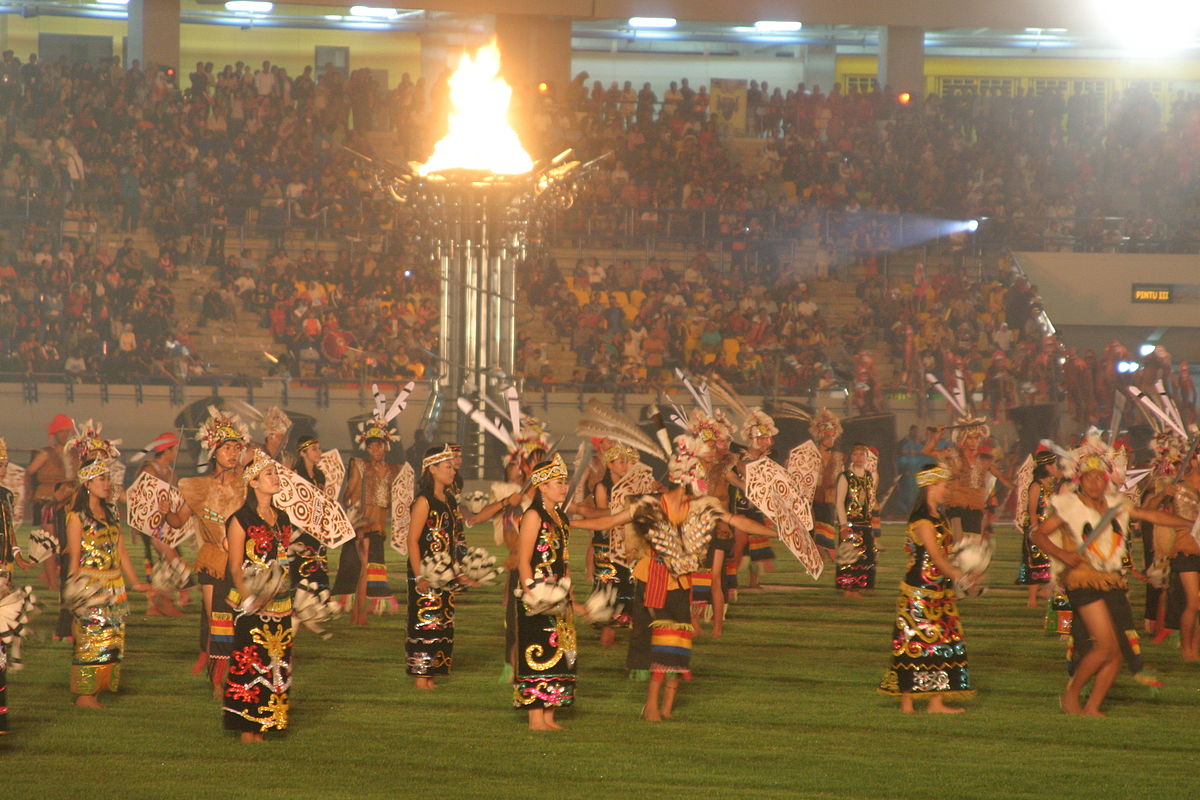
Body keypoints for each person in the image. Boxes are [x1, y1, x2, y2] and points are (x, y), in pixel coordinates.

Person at [1033, 438, 1192, 716]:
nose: (1095, 483)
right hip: (1082, 579)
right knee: (1105, 646)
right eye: (1089, 477)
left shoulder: (1116, 505)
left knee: (1117, 651)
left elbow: (1151, 515)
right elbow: (1038, 534)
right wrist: (1063, 554)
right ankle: (1071, 696)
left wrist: (1191, 524)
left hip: (1112, 579)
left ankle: (1092, 706)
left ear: (1107, 479)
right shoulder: (1069, 506)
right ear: (1080, 480)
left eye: (1099, 477)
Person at [512, 454, 629, 730]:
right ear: (542, 486)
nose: (563, 487)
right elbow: (523, 560)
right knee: (539, 651)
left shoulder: (560, 517)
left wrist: (572, 601)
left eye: (564, 482)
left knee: (563, 650)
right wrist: (533, 594)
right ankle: (535, 718)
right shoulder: (532, 515)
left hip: (559, 596)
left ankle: (550, 715)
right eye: (557, 482)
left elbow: (563, 564)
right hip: (538, 596)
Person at [404, 444, 513, 689]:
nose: (453, 471)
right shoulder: (424, 500)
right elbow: (412, 540)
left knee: (443, 621)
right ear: (432, 469)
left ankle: (432, 675)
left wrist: (460, 571)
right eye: (447, 467)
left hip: (446, 572)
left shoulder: (450, 500)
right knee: (426, 620)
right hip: (426, 572)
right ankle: (422, 678)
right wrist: (420, 574)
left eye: (453, 466)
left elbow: (454, 539)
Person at [164, 406, 249, 697]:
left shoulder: (247, 486)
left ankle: (240, 678)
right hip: (213, 561)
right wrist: (166, 513)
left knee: (242, 623)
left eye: (236, 448)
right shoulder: (198, 487)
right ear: (214, 451)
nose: (233, 453)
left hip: (244, 562)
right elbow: (178, 520)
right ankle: (217, 682)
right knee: (218, 623)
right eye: (227, 447)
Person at [878, 464, 974, 714]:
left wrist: (966, 569)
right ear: (931, 486)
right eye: (944, 485)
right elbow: (936, 557)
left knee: (945, 644)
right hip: (918, 594)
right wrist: (959, 576)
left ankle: (936, 702)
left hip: (940, 592)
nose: (947, 490)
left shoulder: (939, 517)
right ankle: (907, 703)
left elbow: (948, 554)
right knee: (914, 645)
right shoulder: (921, 521)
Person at [68, 458, 154, 708]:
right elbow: (74, 558)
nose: (107, 484)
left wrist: (136, 583)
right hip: (91, 586)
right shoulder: (77, 517)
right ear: (87, 483)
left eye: (108, 478)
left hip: (114, 585)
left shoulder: (112, 512)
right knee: (90, 639)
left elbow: (122, 552)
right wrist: (73, 594)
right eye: (101, 479)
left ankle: (98, 690)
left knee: (112, 639)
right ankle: (85, 695)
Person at [222, 453, 294, 742]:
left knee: (276, 663)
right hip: (250, 603)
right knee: (250, 662)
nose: (275, 478)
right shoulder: (240, 519)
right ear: (252, 482)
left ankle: (267, 723)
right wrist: (252, 597)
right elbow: (236, 568)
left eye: (276, 472)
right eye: (268, 474)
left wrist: (278, 586)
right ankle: (245, 728)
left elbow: (283, 559)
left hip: (280, 602)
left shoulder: (283, 518)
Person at [335, 414, 401, 624]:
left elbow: (397, 501)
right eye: (372, 446)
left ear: (386, 447)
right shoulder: (359, 465)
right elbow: (349, 493)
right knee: (360, 570)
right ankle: (358, 614)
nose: (376, 450)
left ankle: (361, 613)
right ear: (366, 447)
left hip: (379, 527)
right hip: (362, 527)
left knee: (370, 571)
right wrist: (350, 501)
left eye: (380, 446)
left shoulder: (394, 470)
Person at [1016, 449, 1060, 609]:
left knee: (1051, 562)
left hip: (1050, 528)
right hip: (1038, 528)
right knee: (1036, 562)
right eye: (1054, 464)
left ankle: (1047, 591)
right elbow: (1032, 510)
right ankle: (1032, 600)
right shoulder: (1036, 485)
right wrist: (1036, 530)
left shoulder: (1053, 485)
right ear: (1047, 466)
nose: (1057, 467)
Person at [835, 443, 879, 597]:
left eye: (862, 455)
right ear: (851, 457)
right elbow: (840, 502)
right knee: (849, 557)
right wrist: (843, 525)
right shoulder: (845, 476)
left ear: (867, 458)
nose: (859, 458)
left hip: (865, 524)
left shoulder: (869, 476)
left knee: (864, 557)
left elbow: (870, 499)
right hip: (850, 523)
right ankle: (848, 589)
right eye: (855, 454)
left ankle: (858, 586)